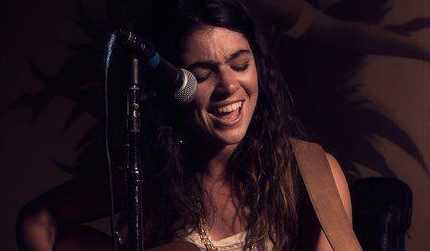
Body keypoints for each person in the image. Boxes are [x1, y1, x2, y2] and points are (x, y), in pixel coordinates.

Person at [16, 0, 353, 250]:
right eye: (202, 75)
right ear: (170, 86)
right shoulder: (146, 173)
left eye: (240, 64)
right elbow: (38, 219)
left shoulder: (307, 171)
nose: (228, 86)